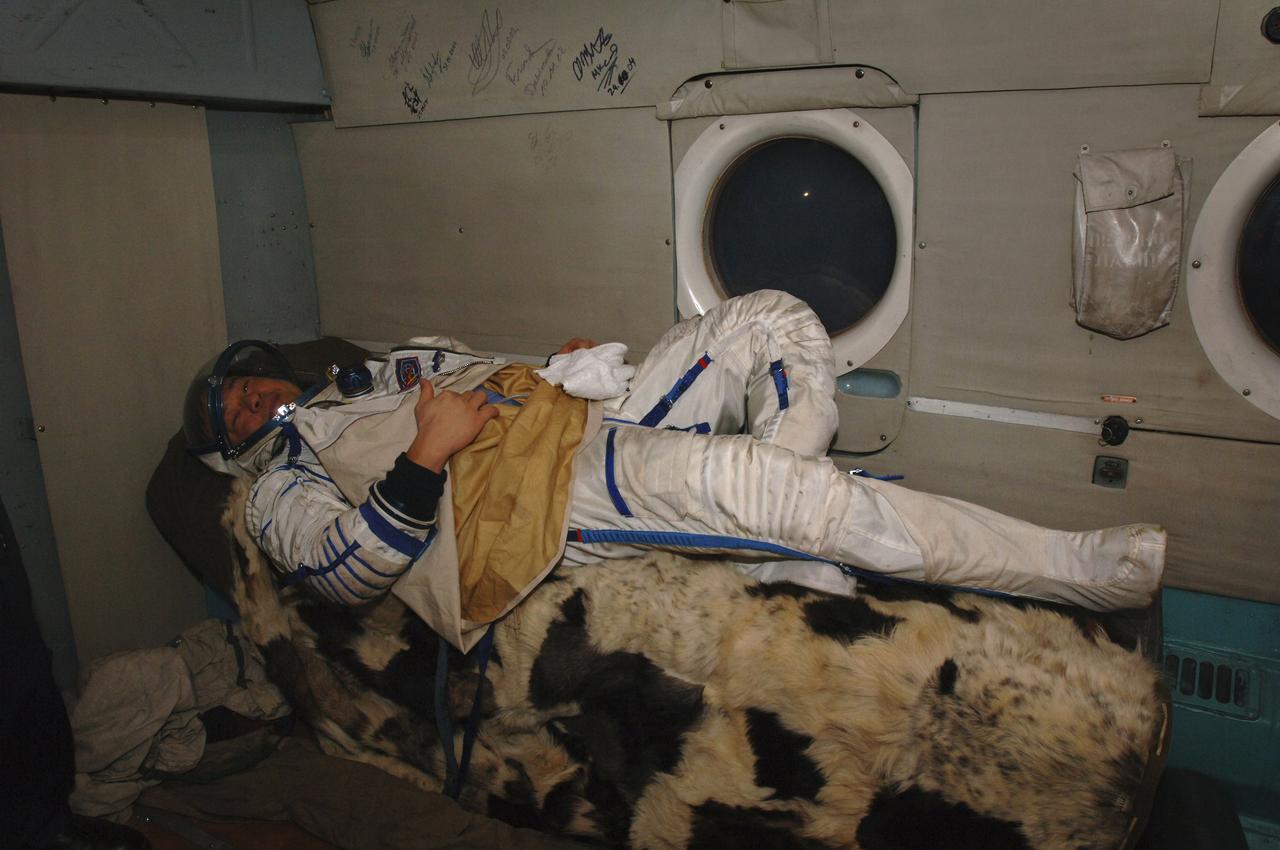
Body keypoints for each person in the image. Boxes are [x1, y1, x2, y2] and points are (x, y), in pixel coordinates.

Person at [185, 291, 1166, 648]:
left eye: (241, 381)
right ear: (232, 447)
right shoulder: (280, 484)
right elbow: (345, 577)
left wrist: (548, 364)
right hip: (529, 504)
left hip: (570, 415)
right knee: (794, 494)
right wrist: (421, 457)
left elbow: (480, 381)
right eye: (229, 413)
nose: (246, 399)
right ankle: (1076, 571)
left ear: (268, 364)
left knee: (770, 317)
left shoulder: (365, 372)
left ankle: (778, 546)